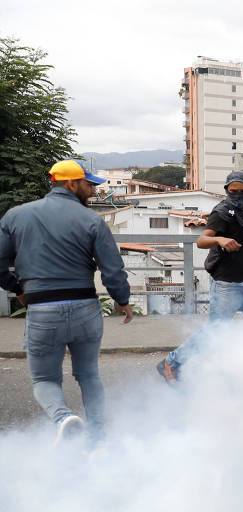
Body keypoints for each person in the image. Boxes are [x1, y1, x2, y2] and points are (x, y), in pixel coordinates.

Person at [0, 160, 133, 446]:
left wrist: (16, 288)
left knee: (45, 380)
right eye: (89, 184)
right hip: (85, 307)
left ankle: (64, 420)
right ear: (70, 183)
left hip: (42, 309)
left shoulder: (16, 216)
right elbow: (112, 267)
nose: (93, 191)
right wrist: (122, 300)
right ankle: (97, 439)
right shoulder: (92, 220)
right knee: (88, 374)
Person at [157, 171, 243, 383]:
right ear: (226, 190)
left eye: (242, 191)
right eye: (233, 191)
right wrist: (220, 239)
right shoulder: (222, 212)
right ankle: (171, 363)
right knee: (214, 332)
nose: (238, 195)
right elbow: (202, 240)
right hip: (227, 285)